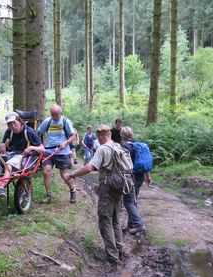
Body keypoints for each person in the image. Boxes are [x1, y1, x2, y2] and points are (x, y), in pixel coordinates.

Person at [67, 125, 125, 266]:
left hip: (107, 187)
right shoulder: (118, 146)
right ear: (110, 134)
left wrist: (72, 174)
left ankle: (112, 256)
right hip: (121, 185)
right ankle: (120, 250)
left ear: (99, 136)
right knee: (116, 220)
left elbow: (90, 167)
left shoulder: (103, 149)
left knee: (105, 220)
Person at [0, 112, 44, 196]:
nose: (13, 126)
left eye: (14, 123)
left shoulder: (29, 131)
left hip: (24, 157)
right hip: (11, 154)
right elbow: (3, 143)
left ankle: (1, 188)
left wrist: (31, 148)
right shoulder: (9, 131)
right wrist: (3, 146)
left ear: (19, 121)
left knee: (9, 164)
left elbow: (42, 149)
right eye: (10, 125)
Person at [37, 104, 78, 204]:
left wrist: (65, 143)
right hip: (49, 151)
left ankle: (73, 190)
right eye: (53, 114)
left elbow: (73, 136)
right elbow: (38, 132)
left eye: (56, 114)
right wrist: (40, 145)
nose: (55, 117)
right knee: (46, 172)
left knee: (64, 175)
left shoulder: (65, 121)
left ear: (60, 113)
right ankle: (48, 194)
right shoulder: (48, 121)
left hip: (62, 152)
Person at [120, 126, 151, 235]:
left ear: (122, 135)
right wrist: (148, 176)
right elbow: (144, 161)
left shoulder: (125, 147)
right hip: (140, 176)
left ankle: (138, 224)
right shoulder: (138, 145)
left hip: (130, 177)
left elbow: (121, 165)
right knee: (133, 200)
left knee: (128, 201)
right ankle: (131, 225)